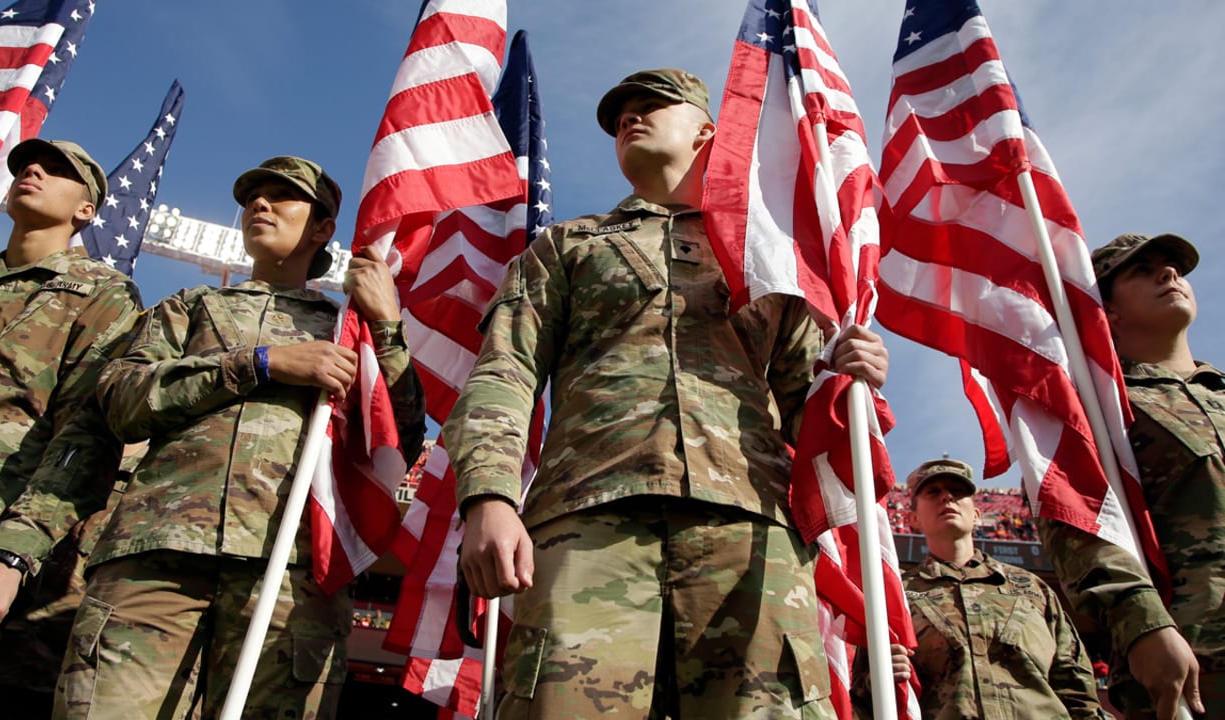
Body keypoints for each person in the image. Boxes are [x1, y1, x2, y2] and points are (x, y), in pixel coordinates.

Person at [443, 69, 889, 718]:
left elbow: (806, 406)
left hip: (747, 526)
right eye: (620, 114)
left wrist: (852, 377)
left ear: (709, 129)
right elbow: (504, 374)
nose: (630, 118)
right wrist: (487, 495)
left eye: (653, 105)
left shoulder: (770, 257)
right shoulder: (565, 248)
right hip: (587, 518)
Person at [54, 156, 426, 718]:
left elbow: (397, 438)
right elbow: (123, 401)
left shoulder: (349, 328)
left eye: (284, 196)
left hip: (292, 568)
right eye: (254, 196)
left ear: (324, 228)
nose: (260, 204)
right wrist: (262, 363)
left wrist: (388, 328)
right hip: (158, 555)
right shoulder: (189, 307)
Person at [0, 139, 142, 717]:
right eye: (28, 164)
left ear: (86, 210)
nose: (33, 170)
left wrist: (8, 556)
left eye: (58, 171)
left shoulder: (102, 297)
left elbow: (85, 441)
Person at [1038, 232, 1222, 720]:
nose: (1170, 275)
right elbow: (1079, 520)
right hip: (1200, 661)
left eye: (1173, 267)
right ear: (1109, 311)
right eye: (1143, 271)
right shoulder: (1100, 412)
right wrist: (1142, 626)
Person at [854, 458, 1105, 719]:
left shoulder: (1033, 589)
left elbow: (1076, 686)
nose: (947, 497)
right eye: (933, 491)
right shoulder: (895, 598)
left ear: (976, 515)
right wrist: (878, 681)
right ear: (913, 519)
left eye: (958, 491)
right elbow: (858, 697)